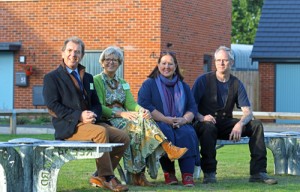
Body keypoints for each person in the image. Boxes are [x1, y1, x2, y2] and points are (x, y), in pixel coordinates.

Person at [43, 36, 130, 192]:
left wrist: (92, 114)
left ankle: (100, 175)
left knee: (123, 138)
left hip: (91, 123)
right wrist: (79, 116)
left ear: (82, 55)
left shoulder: (88, 77)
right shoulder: (52, 78)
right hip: (70, 127)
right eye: (69, 51)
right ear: (63, 53)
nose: (73, 55)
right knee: (101, 132)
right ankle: (109, 178)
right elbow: (52, 106)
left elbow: (96, 104)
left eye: (77, 52)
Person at [92, 46, 188, 186]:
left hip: (126, 118)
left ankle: (137, 175)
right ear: (102, 62)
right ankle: (165, 148)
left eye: (115, 60)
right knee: (139, 129)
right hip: (109, 119)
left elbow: (131, 104)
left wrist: (142, 110)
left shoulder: (123, 83)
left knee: (144, 121)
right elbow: (99, 106)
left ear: (119, 63)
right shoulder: (97, 80)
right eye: (108, 59)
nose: (111, 62)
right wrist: (121, 113)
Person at [191, 45, 278, 185]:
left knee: (256, 125)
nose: (221, 63)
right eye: (218, 60)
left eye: (224, 60)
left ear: (231, 62)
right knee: (208, 127)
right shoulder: (203, 80)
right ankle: (209, 173)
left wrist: (240, 123)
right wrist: (202, 117)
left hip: (225, 124)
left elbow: (248, 112)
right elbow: (190, 107)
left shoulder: (236, 83)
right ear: (214, 62)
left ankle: (258, 172)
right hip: (204, 124)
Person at [138, 52, 200, 187]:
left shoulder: (183, 86)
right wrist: (166, 119)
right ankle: (169, 173)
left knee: (188, 133)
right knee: (165, 132)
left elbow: (192, 107)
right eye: (163, 63)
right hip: (159, 122)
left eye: (170, 63)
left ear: (175, 66)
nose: (167, 67)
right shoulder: (149, 84)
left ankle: (187, 175)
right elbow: (144, 104)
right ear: (158, 65)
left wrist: (184, 120)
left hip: (181, 123)